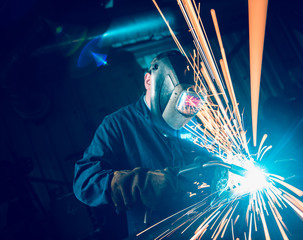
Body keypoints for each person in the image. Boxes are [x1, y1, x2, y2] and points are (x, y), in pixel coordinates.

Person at [73, 50, 211, 238]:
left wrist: (212, 166)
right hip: (155, 233)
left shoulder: (194, 120)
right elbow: (85, 182)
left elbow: (210, 155)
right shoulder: (118, 124)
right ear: (148, 81)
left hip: (201, 227)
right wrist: (137, 183)